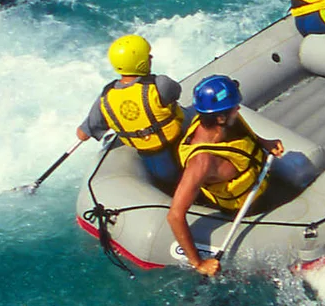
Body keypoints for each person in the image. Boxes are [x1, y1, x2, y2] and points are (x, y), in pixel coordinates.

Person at [168, 74, 285, 277]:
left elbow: (242, 137)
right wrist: (198, 263)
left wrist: (264, 142)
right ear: (220, 117)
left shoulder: (220, 122)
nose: (238, 109)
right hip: (247, 207)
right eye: (234, 107)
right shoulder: (201, 162)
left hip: (261, 183)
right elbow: (175, 215)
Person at [77, 34, 184, 190]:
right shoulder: (160, 84)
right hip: (177, 147)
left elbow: (82, 134)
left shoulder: (106, 98)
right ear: (141, 63)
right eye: (148, 56)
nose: (151, 57)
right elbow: (176, 93)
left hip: (149, 160)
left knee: (168, 185)